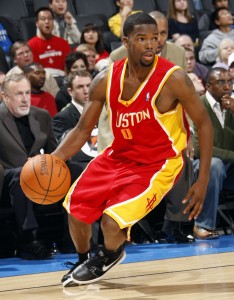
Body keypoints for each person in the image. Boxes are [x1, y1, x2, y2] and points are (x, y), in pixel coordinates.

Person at [51, 12, 213, 287]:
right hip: (118, 156)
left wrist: (203, 178)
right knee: (76, 210)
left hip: (158, 164)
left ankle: (109, 254)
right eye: (142, 39)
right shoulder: (105, 79)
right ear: (125, 41)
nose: (151, 44)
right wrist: (53, 160)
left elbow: (204, 123)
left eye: (155, 38)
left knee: (111, 224)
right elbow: (81, 130)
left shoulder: (173, 79)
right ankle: (83, 260)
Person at [102, 11, 195, 244]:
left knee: (182, 155)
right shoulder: (118, 56)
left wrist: (189, 135)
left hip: (163, 124)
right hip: (132, 125)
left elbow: (184, 101)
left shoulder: (177, 53)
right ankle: (135, 227)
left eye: (162, 34)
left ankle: (177, 224)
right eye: (152, 35)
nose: (158, 40)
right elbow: (114, 102)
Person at [0, 73, 58, 260]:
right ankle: (28, 240)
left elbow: (54, 152)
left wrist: (45, 165)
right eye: (18, 94)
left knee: (73, 169)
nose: (25, 99)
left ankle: (77, 238)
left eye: (27, 93)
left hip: (39, 173)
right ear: (5, 96)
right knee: (20, 175)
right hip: (8, 176)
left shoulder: (41, 116)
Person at [192, 67, 234, 239]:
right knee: (213, 164)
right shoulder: (197, 104)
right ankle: (202, 225)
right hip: (199, 168)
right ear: (208, 86)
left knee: (218, 164)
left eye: (229, 82)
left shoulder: (232, 105)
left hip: (228, 168)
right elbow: (199, 148)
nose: (227, 87)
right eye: (221, 82)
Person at [53, 70, 97, 169]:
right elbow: (63, 151)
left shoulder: (103, 112)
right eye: (80, 87)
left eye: (89, 85)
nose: (86, 91)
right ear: (70, 91)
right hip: (80, 168)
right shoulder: (62, 118)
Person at [27, 7, 71, 80]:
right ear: (37, 23)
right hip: (42, 81)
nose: (47, 21)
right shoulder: (30, 45)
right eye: (43, 19)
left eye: (50, 19)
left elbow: (69, 66)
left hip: (63, 80)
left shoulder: (63, 43)